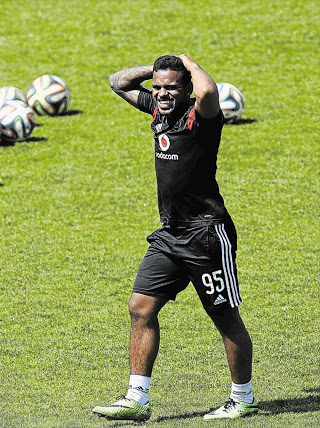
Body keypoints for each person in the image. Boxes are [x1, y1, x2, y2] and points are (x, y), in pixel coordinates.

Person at [92, 55, 257, 421]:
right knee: (140, 307)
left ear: (186, 90)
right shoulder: (158, 111)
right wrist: (158, 72)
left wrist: (187, 62)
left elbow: (209, 90)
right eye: (158, 87)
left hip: (206, 234)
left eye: (172, 87)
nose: (163, 93)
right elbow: (117, 81)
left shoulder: (203, 118)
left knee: (224, 317)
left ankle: (242, 397)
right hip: (170, 235)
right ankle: (137, 398)